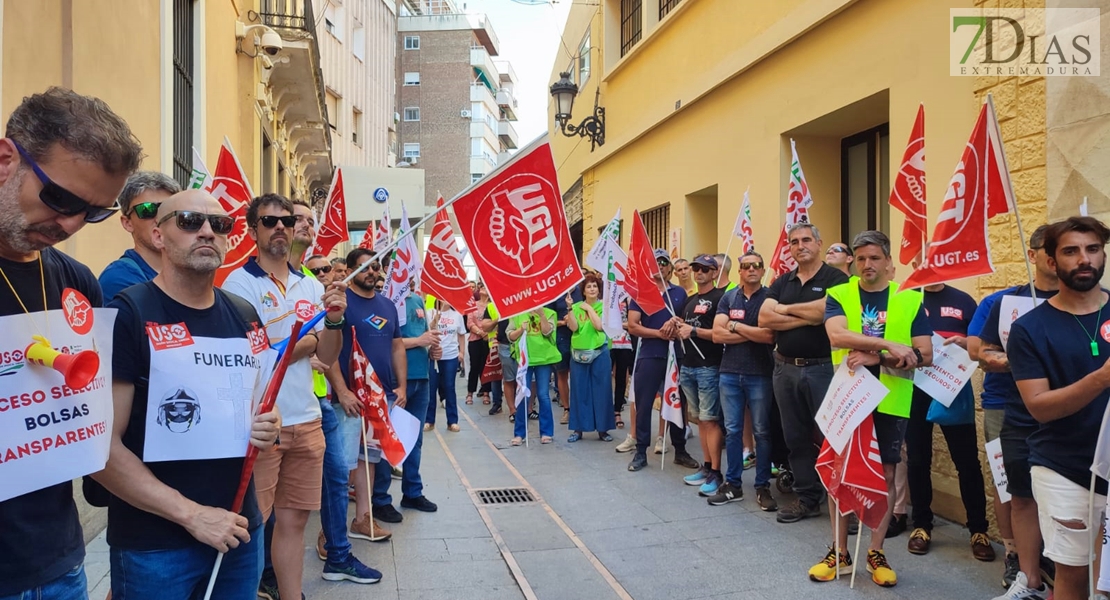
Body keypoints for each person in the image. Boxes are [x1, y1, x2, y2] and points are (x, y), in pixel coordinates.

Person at [93, 190, 281, 597]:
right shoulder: (128, 314)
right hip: (155, 544)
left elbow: (258, 405)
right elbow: (100, 448)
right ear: (158, 236)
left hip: (239, 532)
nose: (208, 232)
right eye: (190, 222)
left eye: (220, 224)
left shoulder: (245, 315)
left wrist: (269, 424)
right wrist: (192, 515)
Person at [0, 87, 142, 600]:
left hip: (57, 564)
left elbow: (88, 422)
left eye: (95, 213)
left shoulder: (78, 281)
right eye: (60, 199)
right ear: (5, 160)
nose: (70, 225)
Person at [221, 193, 346, 600]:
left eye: (288, 222)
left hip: (307, 419)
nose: (281, 228)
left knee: (294, 524)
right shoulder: (238, 284)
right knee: (253, 527)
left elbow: (327, 357)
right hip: (260, 424)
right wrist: (304, 343)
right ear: (252, 229)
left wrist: (333, 321)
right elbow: (255, 354)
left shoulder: (310, 283)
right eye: (270, 221)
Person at [808, 230, 932, 587]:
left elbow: (924, 354)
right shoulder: (839, 294)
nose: (867, 265)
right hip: (848, 398)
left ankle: (876, 551)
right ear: (852, 262)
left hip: (891, 399)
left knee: (888, 475)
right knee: (838, 472)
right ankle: (839, 551)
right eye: (860, 258)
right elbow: (837, 336)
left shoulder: (909, 300)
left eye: (874, 258)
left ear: (889, 262)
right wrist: (889, 344)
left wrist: (875, 356)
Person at [1009, 216, 1110, 600]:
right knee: (1073, 573)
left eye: (1093, 249)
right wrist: (1100, 379)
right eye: (1071, 251)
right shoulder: (1030, 329)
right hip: (1064, 468)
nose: (1084, 259)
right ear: (1051, 262)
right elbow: (1039, 407)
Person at [974, 224, 1058, 599]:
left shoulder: (1092, 303)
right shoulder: (1002, 303)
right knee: (1011, 485)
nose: (1059, 258)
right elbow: (983, 354)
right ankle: (1015, 555)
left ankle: (1053, 558)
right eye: (1050, 249)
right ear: (1033, 255)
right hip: (1006, 406)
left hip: (1067, 411)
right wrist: (1027, 364)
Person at [758, 223, 850, 522]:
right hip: (785, 369)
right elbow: (764, 318)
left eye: (806, 239)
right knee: (795, 436)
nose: (800, 245)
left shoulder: (836, 277)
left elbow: (827, 312)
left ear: (819, 243)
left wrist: (785, 310)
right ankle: (807, 497)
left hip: (823, 368)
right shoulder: (782, 281)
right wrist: (807, 315)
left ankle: (843, 504)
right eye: (794, 241)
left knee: (832, 437)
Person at [904, 282, 993, 562]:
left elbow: (983, 345)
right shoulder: (906, 299)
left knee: (967, 462)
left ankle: (979, 530)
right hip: (915, 388)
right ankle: (921, 525)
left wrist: (966, 345)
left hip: (953, 389)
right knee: (917, 459)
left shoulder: (964, 300)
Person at [328, 249, 402, 545]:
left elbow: (397, 346)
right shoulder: (339, 302)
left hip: (379, 398)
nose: (372, 272)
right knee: (340, 466)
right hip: (346, 400)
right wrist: (343, 391)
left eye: (376, 267)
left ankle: (362, 519)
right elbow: (327, 349)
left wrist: (402, 387)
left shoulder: (387, 305)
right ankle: (329, 531)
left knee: (367, 460)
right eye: (364, 267)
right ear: (348, 269)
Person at [710, 251, 777, 509]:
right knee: (734, 431)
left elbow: (769, 336)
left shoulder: (770, 297)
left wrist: (735, 327)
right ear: (739, 270)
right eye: (746, 266)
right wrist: (752, 332)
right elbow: (717, 334)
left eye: (756, 266)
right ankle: (733, 485)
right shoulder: (728, 297)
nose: (751, 269)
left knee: (761, 431)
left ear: (762, 270)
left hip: (760, 373)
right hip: (729, 373)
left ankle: (762, 487)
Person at [372, 286, 440, 523]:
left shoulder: (417, 300)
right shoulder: (382, 301)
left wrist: (432, 348)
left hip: (422, 376)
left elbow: (423, 334)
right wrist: (418, 341)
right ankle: (380, 498)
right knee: (387, 441)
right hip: (395, 381)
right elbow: (388, 341)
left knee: (414, 438)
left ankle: (412, 492)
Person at [627, 249, 696, 471]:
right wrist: (659, 333)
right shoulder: (642, 293)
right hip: (650, 353)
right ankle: (640, 452)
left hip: (676, 354)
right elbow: (633, 325)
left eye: (664, 262)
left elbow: (687, 320)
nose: (660, 266)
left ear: (669, 267)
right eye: (655, 263)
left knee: (678, 401)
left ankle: (680, 450)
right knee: (645, 403)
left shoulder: (680, 293)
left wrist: (675, 323)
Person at [672, 255, 726, 495]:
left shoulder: (721, 298)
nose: (699, 272)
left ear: (715, 272)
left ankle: (716, 471)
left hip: (709, 366)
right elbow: (685, 325)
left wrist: (693, 330)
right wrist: (678, 323)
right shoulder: (690, 299)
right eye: (696, 268)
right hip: (689, 366)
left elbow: (720, 333)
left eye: (705, 269)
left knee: (710, 419)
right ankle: (706, 466)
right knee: (700, 420)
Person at [98, 171, 181, 301]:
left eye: (168, 209)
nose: (160, 217)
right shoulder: (119, 278)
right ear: (127, 223)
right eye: (147, 209)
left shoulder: (187, 272)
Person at [566, 273, 615, 442]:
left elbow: (599, 326)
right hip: (578, 354)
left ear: (599, 290)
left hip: (600, 352)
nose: (592, 289)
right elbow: (573, 327)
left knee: (602, 390)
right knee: (579, 391)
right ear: (584, 290)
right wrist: (569, 309)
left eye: (595, 286)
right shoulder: (576, 306)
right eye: (589, 286)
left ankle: (603, 429)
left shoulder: (605, 307)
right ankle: (578, 429)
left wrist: (589, 309)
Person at [507, 305, 560, 445]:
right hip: (525, 360)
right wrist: (520, 329)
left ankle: (547, 432)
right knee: (523, 394)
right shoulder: (518, 313)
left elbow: (548, 332)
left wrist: (541, 315)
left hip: (543, 359)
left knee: (543, 394)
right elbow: (510, 336)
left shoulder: (550, 313)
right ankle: (519, 434)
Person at [427, 300, 466, 432]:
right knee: (431, 388)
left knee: (449, 387)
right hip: (433, 357)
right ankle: (429, 420)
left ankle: (452, 421)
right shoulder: (430, 313)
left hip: (450, 356)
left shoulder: (457, 315)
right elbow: (426, 331)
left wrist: (461, 352)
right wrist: (434, 321)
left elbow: (461, 335)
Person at [466, 288, 493, 405]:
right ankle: (470, 393)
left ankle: (486, 392)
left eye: (486, 287)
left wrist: (487, 333)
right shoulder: (472, 305)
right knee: (474, 366)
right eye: (481, 286)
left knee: (486, 366)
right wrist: (480, 332)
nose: (483, 288)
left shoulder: (492, 306)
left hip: (488, 340)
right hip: (475, 339)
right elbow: (470, 323)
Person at [611, 298, 633, 431]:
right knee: (604, 378)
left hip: (624, 342)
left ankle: (617, 411)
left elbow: (633, 322)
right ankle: (605, 410)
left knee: (621, 377)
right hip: (606, 342)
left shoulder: (628, 298)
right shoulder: (605, 296)